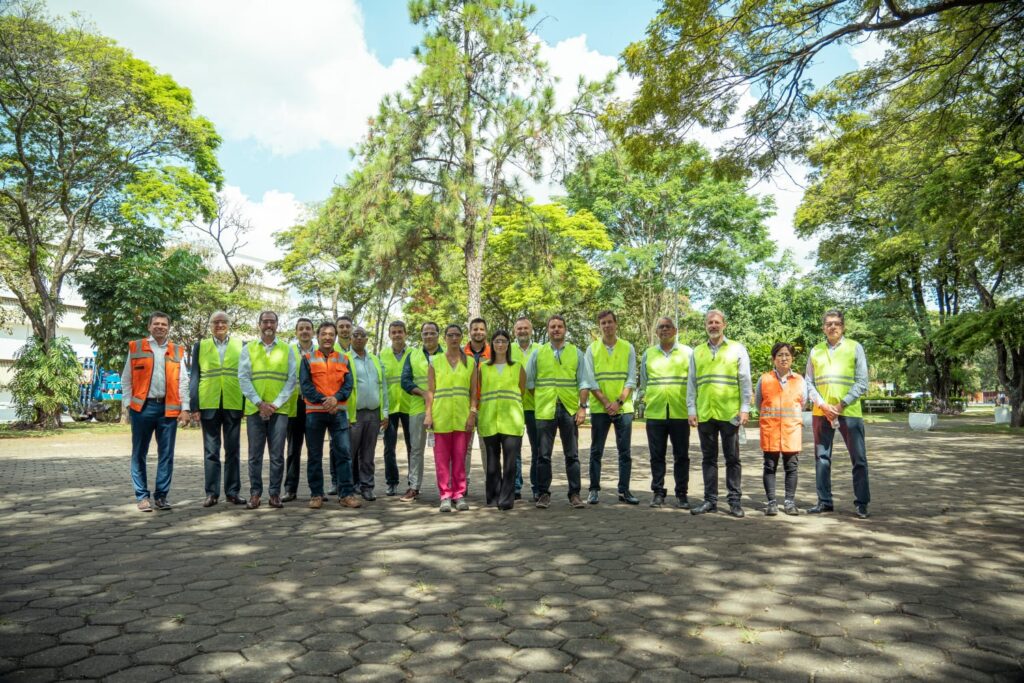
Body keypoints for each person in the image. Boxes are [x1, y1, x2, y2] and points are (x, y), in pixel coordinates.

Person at [806, 309, 872, 519]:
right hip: (821, 412)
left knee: (859, 459)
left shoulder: (855, 347)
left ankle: (862, 503)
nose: (832, 327)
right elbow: (808, 382)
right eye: (828, 324)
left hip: (849, 412)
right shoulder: (815, 350)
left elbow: (862, 382)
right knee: (822, 458)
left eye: (836, 323)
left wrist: (841, 405)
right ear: (823, 328)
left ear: (843, 326)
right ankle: (824, 501)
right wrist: (823, 405)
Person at [122, 311, 191, 512]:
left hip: (168, 410)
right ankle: (142, 496)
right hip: (142, 409)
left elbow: (183, 382)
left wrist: (185, 408)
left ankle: (161, 496)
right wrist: (128, 404)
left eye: (164, 324)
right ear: (149, 327)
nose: (160, 326)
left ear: (169, 327)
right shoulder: (136, 347)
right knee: (139, 454)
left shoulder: (177, 350)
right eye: (156, 323)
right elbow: (126, 379)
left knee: (166, 455)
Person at [687, 309, 752, 518]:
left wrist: (744, 409)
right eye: (709, 322)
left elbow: (745, 380)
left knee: (732, 458)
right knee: (708, 459)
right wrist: (691, 409)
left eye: (716, 322)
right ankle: (710, 501)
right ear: (706, 325)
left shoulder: (737, 349)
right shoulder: (697, 351)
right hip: (705, 412)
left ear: (724, 324)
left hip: (729, 413)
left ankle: (734, 501)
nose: (713, 325)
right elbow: (692, 383)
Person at [525, 314, 592, 509]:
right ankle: (544, 494)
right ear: (548, 330)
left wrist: (582, 407)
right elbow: (530, 382)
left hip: (569, 409)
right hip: (545, 409)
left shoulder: (576, 353)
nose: (556, 329)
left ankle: (575, 494)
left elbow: (584, 382)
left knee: (572, 454)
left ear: (565, 329)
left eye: (560, 326)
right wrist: (543, 397)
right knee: (543, 455)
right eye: (552, 326)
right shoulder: (538, 353)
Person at [238, 310, 298, 510]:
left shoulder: (287, 349)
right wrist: (259, 403)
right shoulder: (248, 349)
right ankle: (255, 494)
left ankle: (274, 494)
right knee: (255, 455)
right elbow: (243, 378)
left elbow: (292, 379)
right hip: (255, 410)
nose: (269, 325)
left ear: (277, 325)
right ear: (259, 324)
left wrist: (275, 404)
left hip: (279, 411)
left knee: (277, 455)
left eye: (272, 322)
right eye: (265, 322)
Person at [299, 321, 361, 509]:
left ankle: (346, 494)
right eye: (324, 334)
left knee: (343, 453)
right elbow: (306, 386)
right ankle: (316, 494)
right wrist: (325, 401)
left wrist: (335, 399)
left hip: (338, 413)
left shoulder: (344, 358)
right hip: (314, 414)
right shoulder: (308, 358)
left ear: (335, 337)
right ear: (317, 336)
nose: (327, 337)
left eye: (330, 334)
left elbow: (348, 385)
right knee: (315, 455)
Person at [189, 311, 244, 508]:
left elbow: (245, 376)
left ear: (229, 324)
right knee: (211, 451)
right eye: (215, 322)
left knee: (233, 450)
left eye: (223, 322)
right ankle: (212, 493)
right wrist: (194, 405)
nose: (219, 325)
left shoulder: (241, 345)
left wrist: (246, 404)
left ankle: (232, 492)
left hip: (233, 402)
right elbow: (194, 375)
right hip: (208, 403)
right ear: (210, 325)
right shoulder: (200, 346)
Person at [585, 310, 639, 505]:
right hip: (601, 409)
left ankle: (624, 491)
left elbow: (631, 379)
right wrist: (607, 403)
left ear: (616, 324)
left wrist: (619, 402)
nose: (607, 326)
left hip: (623, 409)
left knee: (624, 452)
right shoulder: (592, 349)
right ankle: (593, 490)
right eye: (603, 323)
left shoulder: (628, 348)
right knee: (596, 451)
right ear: (599, 326)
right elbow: (590, 380)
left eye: (609, 322)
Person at [639, 316, 693, 509]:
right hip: (655, 412)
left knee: (681, 456)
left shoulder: (688, 353)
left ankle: (682, 494)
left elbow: (693, 383)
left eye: (668, 327)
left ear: (675, 330)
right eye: (661, 327)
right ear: (656, 332)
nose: (664, 330)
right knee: (656, 455)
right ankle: (658, 492)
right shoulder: (648, 354)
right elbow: (644, 383)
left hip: (680, 412)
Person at [424, 324, 477, 512]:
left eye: (457, 335)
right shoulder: (435, 361)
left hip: (463, 417)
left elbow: (473, 392)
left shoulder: (470, 362)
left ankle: (459, 494)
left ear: (462, 338)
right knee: (441, 459)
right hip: (441, 416)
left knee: (460, 457)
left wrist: (473, 413)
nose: (454, 338)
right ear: (444, 338)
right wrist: (428, 414)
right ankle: (445, 495)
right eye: (450, 335)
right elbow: (430, 390)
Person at [755, 342, 810, 516]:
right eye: (780, 355)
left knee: (791, 468)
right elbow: (758, 404)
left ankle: (789, 502)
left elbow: (803, 403)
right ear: (774, 359)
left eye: (787, 354)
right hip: (770, 431)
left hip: (791, 431)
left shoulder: (800, 381)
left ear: (792, 358)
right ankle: (771, 502)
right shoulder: (764, 379)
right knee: (769, 467)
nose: (784, 358)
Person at [477, 330, 526, 510]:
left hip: (511, 420)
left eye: (504, 341)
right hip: (489, 419)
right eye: (497, 341)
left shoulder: (517, 366)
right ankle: (493, 497)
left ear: (508, 344)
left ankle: (506, 499)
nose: (500, 344)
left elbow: (521, 390)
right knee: (492, 461)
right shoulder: (483, 367)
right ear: (492, 344)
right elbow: (480, 390)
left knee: (510, 462)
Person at [399, 321, 443, 502]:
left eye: (432, 333)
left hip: (442, 407)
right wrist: (423, 393)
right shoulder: (413, 355)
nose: (429, 336)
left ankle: (446, 487)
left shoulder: (448, 355)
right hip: (417, 408)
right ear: (421, 336)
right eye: (425, 333)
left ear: (438, 335)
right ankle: (413, 486)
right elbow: (405, 380)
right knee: (416, 449)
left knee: (442, 449)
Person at [347, 327, 389, 500]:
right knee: (348, 453)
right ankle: (347, 488)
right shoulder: (344, 359)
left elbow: (383, 387)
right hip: (353, 414)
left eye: (362, 336)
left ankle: (367, 487)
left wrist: (384, 412)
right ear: (350, 338)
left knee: (368, 454)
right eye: (355, 335)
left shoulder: (375, 360)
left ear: (367, 339)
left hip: (373, 414)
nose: (358, 338)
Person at [283, 318, 316, 502]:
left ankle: (315, 490)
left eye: (308, 329)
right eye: (301, 329)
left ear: (312, 332)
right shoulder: (288, 351)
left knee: (314, 449)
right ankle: (290, 489)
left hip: (314, 405)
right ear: (296, 332)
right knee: (293, 449)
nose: (304, 331)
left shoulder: (319, 352)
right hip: (294, 404)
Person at [510, 316, 541, 501]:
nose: (522, 331)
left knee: (538, 449)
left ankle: (537, 487)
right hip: (514, 407)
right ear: (515, 331)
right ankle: (515, 486)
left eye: (526, 328)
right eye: (519, 328)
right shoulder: (507, 349)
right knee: (514, 449)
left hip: (536, 407)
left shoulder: (541, 349)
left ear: (531, 330)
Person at [381, 321, 412, 497]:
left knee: (411, 446)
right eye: (394, 332)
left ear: (405, 334)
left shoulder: (413, 353)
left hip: (410, 406)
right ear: (389, 334)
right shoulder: (382, 355)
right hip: (390, 407)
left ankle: (413, 482)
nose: (397, 335)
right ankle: (391, 482)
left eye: (400, 332)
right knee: (389, 447)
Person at [463, 316, 491, 490]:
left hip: (487, 406)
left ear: (486, 332)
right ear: (470, 332)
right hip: (465, 408)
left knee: (487, 448)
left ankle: (492, 483)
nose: (478, 332)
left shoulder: (494, 352)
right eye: (475, 329)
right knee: (464, 448)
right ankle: (462, 483)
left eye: (481, 329)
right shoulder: (460, 354)